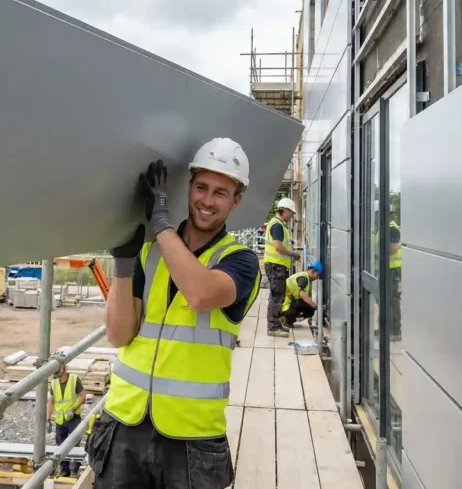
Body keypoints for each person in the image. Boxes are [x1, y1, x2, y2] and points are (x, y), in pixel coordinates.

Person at [89, 137, 262, 488]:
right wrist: (124, 264)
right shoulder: (150, 254)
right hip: (125, 423)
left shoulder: (240, 261)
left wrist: (162, 222)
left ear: (236, 201)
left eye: (220, 192)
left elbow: (199, 293)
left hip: (192, 439)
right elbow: (118, 336)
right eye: (201, 187)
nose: (207, 201)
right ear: (190, 188)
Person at [263, 198, 300, 337]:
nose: (292, 216)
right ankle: (273, 327)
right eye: (291, 213)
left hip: (276, 265)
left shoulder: (277, 224)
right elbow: (278, 247)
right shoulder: (277, 225)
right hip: (275, 266)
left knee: (278, 295)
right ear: (286, 211)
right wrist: (293, 254)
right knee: (276, 296)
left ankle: (276, 324)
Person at [47, 364, 88, 477]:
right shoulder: (54, 383)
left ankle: (74, 470)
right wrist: (48, 418)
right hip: (60, 420)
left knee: (74, 443)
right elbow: (51, 401)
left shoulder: (74, 379)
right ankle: (65, 470)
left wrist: (73, 408)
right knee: (61, 445)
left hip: (73, 418)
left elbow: (82, 395)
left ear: (64, 369)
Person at [280, 261, 322, 329]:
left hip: (284, 303)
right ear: (313, 271)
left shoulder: (303, 275)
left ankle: (287, 319)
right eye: (317, 274)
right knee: (310, 308)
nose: (317, 277)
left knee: (307, 304)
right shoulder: (304, 279)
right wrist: (315, 306)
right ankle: (286, 320)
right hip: (285, 306)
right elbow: (303, 295)